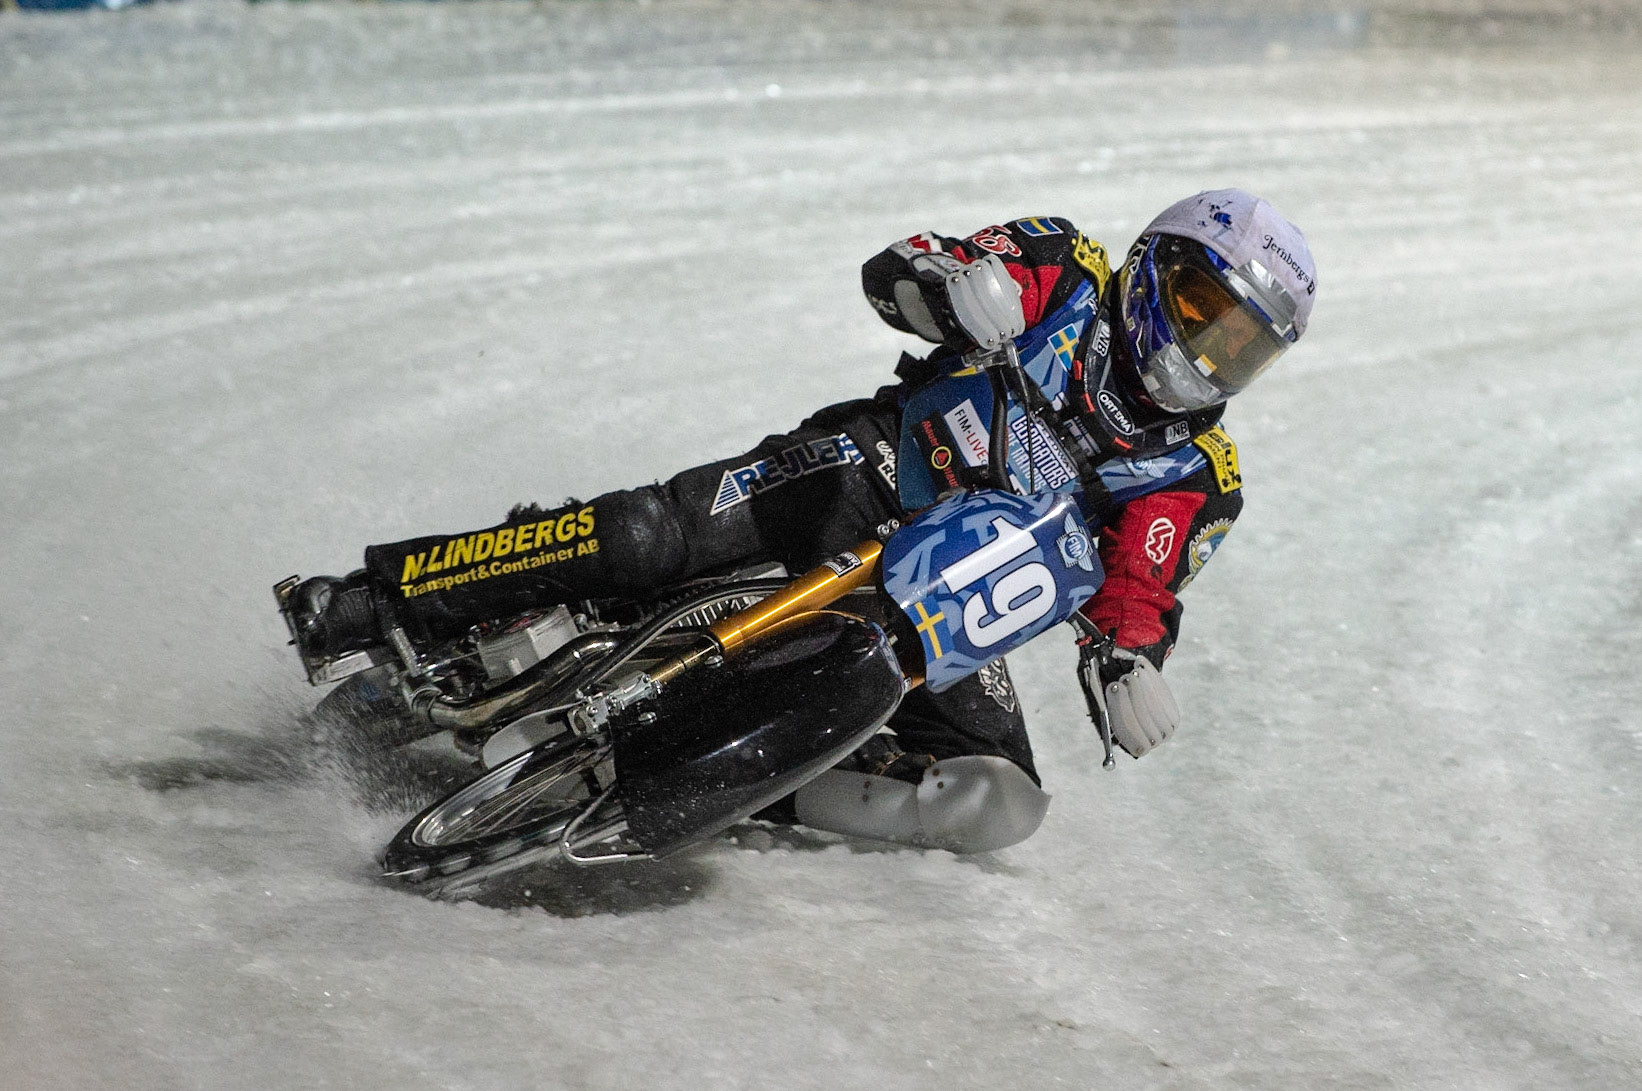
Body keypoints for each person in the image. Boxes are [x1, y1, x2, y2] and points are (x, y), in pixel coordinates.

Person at [287, 188, 1317, 852]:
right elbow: (904, 265)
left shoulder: (1198, 471)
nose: (1206, 353)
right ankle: (388, 592)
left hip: (948, 609)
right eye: (1197, 311)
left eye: (1239, 347)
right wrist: (956, 286)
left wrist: (1128, 660)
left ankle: (753, 787)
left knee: (996, 796)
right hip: (861, 471)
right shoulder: (1067, 266)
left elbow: (1141, 584)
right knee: (651, 533)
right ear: (1152, 267)